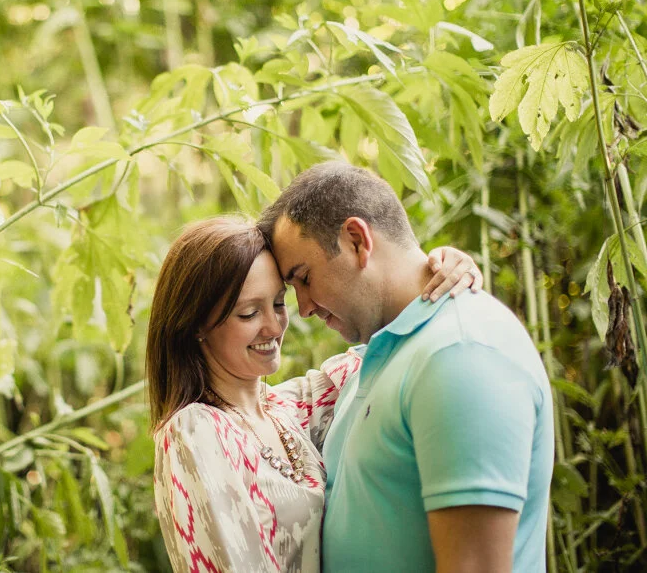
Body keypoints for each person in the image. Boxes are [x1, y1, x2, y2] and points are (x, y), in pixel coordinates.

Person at [258, 161, 554, 573]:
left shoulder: (460, 353)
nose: (303, 308)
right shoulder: (384, 353)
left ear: (357, 240)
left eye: (304, 278)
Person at [148, 215, 481, 573]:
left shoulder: (286, 410)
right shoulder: (195, 431)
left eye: (278, 304)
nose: (275, 327)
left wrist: (438, 273)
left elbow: (382, 353)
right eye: (248, 313)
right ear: (196, 324)